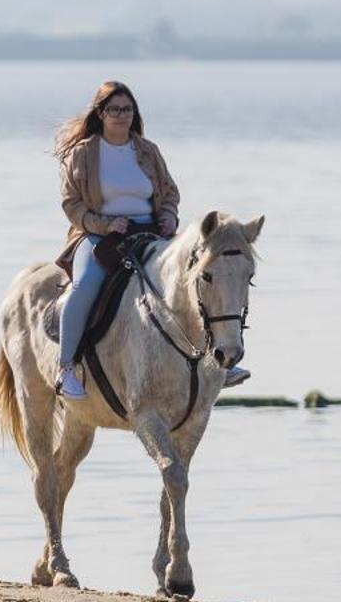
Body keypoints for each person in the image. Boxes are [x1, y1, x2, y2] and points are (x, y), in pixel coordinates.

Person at [53, 79, 249, 399]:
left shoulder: (147, 150)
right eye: (114, 109)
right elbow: (71, 204)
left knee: (199, 281)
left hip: (151, 231)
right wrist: (102, 224)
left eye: (127, 109)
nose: (121, 115)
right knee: (85, 285)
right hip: (100, 236)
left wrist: (169, 215)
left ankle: (221, 361)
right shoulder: (83, 153)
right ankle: (66, 368)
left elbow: (169, 192)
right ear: (100, 113)